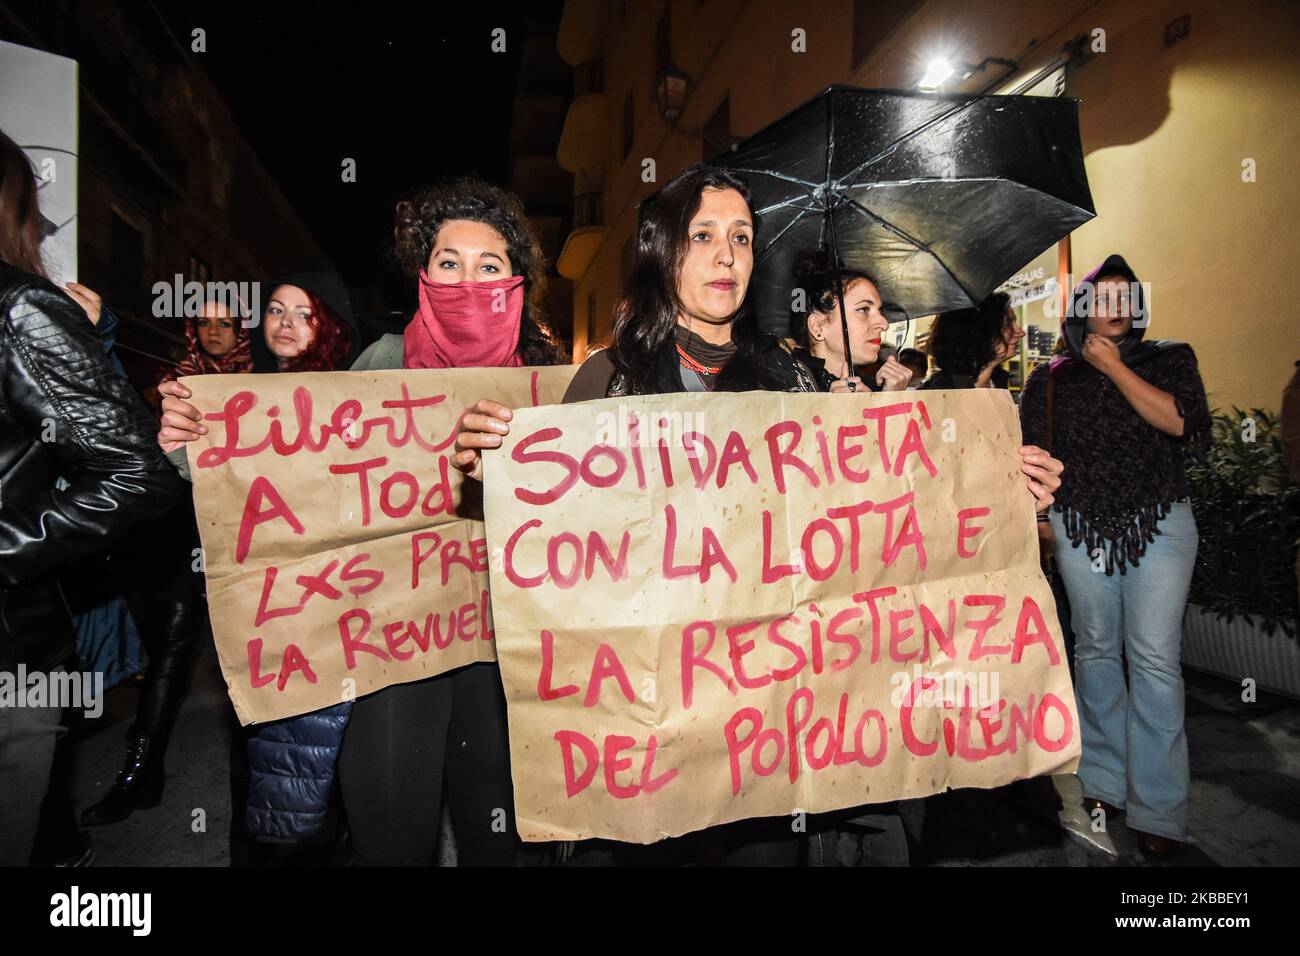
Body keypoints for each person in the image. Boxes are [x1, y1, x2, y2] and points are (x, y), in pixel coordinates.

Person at [455, 163, 1065, 865]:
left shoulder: (791, 378)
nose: (726, 255)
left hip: (767, 727)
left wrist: (997, 487)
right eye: (704, 235)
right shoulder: (607, 378)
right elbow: (560, 552)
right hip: (650, 722)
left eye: (742, 238)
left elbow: (872, 521)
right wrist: (499, 474)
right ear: (663, 251)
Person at [0, 127, 182, 865]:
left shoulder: (20, 309)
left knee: (173, 632)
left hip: (14, 649)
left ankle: (143, 765)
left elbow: (132, 467)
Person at [154, 272, 357, 863]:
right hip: (263, 603)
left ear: (332, 325)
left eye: (304, 312)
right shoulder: (238, 397)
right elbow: (216, 485)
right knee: (262, 741)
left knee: (325, 749)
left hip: (337, 600)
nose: (286, 323)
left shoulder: (360, 395)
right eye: (275, 310)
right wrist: (177, 447)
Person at [1019, 254, 1210, 858]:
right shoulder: (1050, 377)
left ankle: (1159, 809)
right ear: (1082, 308)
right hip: (1079, 525)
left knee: (1154, 659)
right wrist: (1041, 515)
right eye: (1104, 296)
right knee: (1096, 650)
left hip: (1160, 522)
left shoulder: (1169, 358)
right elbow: (1031, 451)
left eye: (1127, 296)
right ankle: (1103, 781)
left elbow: (1180, 423)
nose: (1116, 306)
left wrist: (1113, 367)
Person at [82, 296, 253, 827]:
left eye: (227, 323)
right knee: (170, 648)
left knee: (254, 650)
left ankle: (260, 779)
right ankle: (141, 769)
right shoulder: (171, 384)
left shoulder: (270, 380)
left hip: (248, 543)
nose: (215, 332)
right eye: (204, 322)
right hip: (183, 535)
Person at [787, 251, 912, 392]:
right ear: (818, 327)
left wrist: (889, 402)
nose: (884, 324)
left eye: (880, 311)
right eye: (863, 309)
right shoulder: (783, 389)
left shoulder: (875, 388)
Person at [919, 292, 1023, 390]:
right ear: (979, 331)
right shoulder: (938, 393)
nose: (1021, 332)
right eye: (1008, 323)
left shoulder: (998, 382)